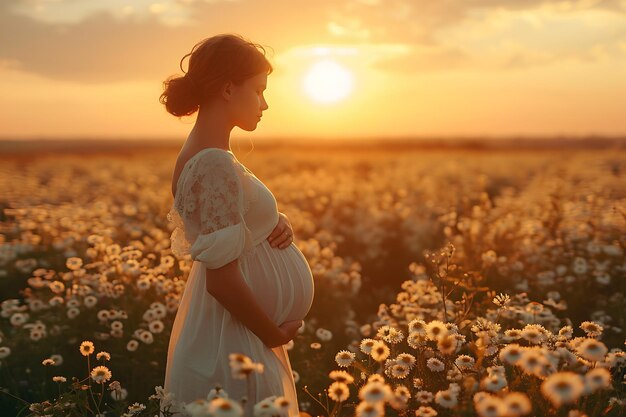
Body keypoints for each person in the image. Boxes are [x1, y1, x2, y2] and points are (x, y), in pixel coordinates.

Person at [159, 34, 315, 416]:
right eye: (259, 90)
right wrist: (272, 334)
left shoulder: (211, 154)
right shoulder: (213, 162)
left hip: (237, 333)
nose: (265, 103)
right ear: (228, 89)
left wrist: (274, 222)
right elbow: (222, 280)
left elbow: (230, 226)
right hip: (234, 340)